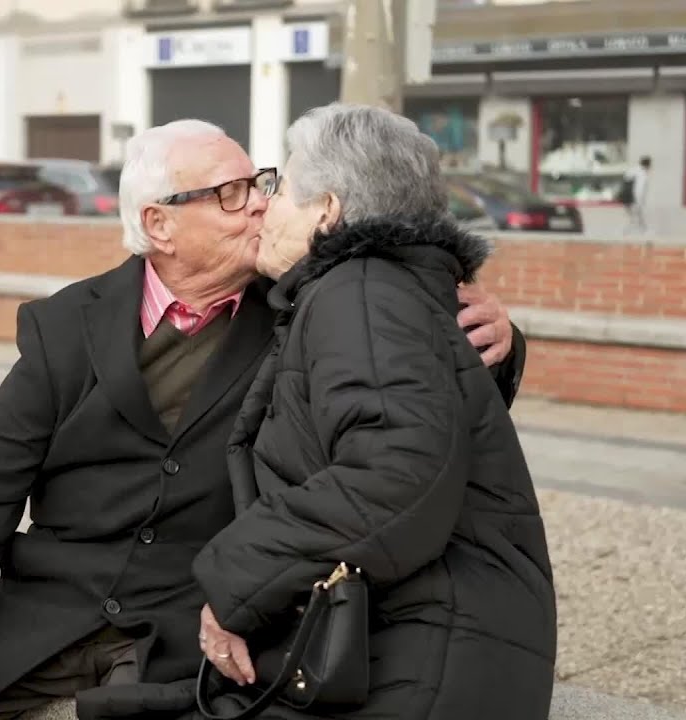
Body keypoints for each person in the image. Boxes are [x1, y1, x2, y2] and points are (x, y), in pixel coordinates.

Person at [0, 119, 527, 720]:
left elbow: (410, 399)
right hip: (47, 617)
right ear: (160, 225)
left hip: (197, 632)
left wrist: (494, 339)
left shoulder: (301, 309)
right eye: (233, 193)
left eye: (264, 185)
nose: (263, 204)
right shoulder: (65, 327)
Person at [188, 103, 557, 720]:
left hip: (421, 658)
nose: (262, 205)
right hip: (429, 643)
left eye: (278, 188)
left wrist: (235, 586)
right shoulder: (378, 286)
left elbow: (394, 472)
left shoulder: (358, 289)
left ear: (327, 210)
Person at [620, 155, 650, 235]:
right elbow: (639, 189)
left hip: (625, 198)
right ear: (648, 165)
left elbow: (624, 182)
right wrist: (639, 201)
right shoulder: (642, 174)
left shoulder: (632, 170)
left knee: (636, 217)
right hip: (633, 199)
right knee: (635, 217)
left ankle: (643, 231)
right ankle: (626, 233)